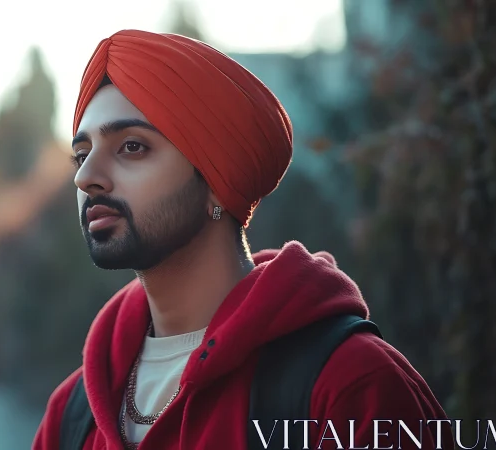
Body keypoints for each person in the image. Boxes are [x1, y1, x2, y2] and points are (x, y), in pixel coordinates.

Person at [33, 29, 452, 450]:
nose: (86, 177)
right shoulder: (72, 413)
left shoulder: (349, 385)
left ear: (217, 184)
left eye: (132, 147)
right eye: (82, 155)